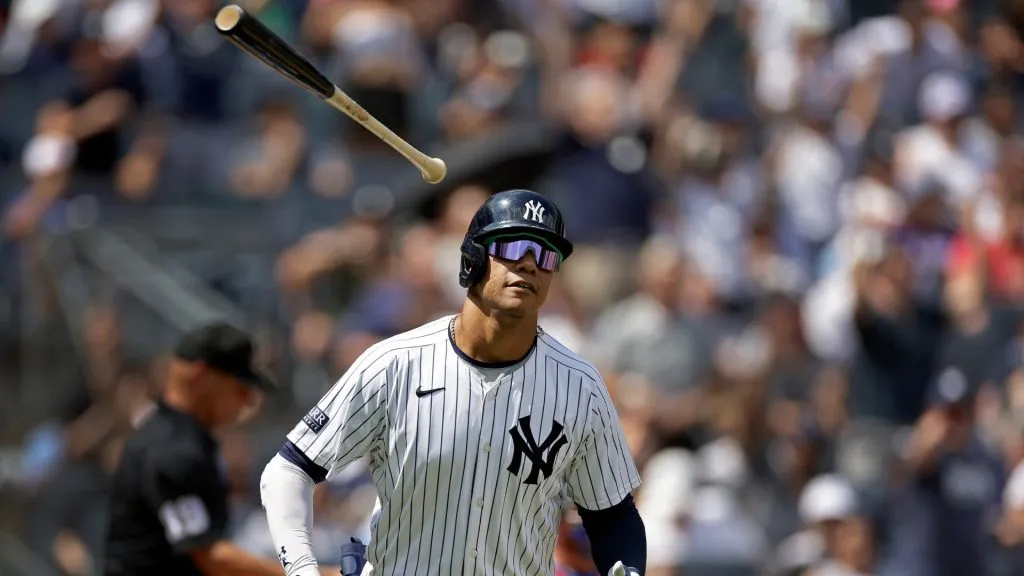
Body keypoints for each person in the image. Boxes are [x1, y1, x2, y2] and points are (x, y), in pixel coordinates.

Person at [260, 189, 647, 576]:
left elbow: (612, 515)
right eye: (513, 247)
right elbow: (289, 470)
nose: (530, 265)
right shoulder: (395, 363)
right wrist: (302, 569)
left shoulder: (580, 386)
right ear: (473, 260)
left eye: (546, 255)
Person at [102, 323, 338, 576]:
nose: (248, 401)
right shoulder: (171, 450)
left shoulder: (176, 436)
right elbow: (213, 558)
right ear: (202, 375)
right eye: (240, 389)